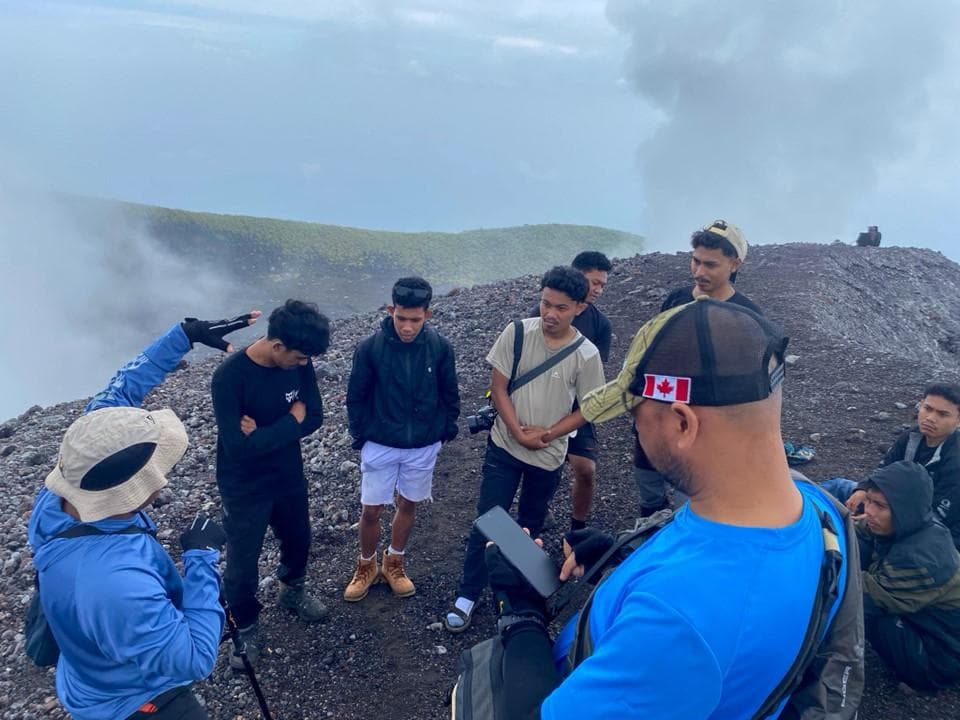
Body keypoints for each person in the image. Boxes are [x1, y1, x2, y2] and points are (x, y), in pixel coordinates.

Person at [479, 298, 861, 718]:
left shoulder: (678, 619)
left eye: (634, 415)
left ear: (682, 423)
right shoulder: (818, 507)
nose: (636, 430)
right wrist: (623, 555)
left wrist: (521, 615)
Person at [28, 312, 258, 720]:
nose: (166, 474)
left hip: (89, 674)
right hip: (133, 700)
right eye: (162, 466)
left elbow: (118, 395)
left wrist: (183, 336)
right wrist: (201, 559)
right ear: (137, 487)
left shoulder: (71, 481)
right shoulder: (116, 583)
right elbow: (193, 659)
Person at [445, 266, 605, 632]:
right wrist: (517, 431)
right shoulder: (517, 332)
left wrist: (547, 434)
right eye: (546, 304)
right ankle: (468, 593)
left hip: (548, 455)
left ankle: (518, 598)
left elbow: (589, 408)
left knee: (530, 523)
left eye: (561, 308)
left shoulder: (586, 354)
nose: (550, 314)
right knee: (489, 517)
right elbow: (499, 387)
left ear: (579, 308)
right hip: (504, 444)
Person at [211, 299, 331, 670]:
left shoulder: (300, 363)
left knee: (298, 538)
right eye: (300, 357)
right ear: (277, 346)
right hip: (244, 485)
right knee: (242, 563)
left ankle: (292, 590)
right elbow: (237, 448)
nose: (305, 364)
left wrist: (263, 433)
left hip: (288, 474)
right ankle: (245, 626)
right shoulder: (230, 377)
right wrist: (290, 421)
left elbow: (315, 417)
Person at [343, 277, 460, 601]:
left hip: (423, 444)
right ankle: (366, 565)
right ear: (390, 310)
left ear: (428, 315)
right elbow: (356, 395)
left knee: (409, 503)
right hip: (380, 442)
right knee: (371, 509)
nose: (407, 327)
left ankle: (395, 561)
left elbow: (449, 391)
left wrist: (444, 428)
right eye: (401, 318)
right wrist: (361, 434)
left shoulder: (440, 348)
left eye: (415, 320)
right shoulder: (370, 348)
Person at [635, 219, 762, 516]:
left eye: (710, 265)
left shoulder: (747, 317)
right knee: (649, 497)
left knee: (692, 506)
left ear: (735, 264)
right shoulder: (676, 299)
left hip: (704, 430)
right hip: (658, 416)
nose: (699, 272)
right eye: (696, 261)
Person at [857, 461, 960, 690]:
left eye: (880, 506)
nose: (869, 511)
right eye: (869, 500)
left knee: (863, 607)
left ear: (904, 510)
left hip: (939, 656)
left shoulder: (919, 559)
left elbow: (862, 597)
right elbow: (855, 529)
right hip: (924, 618)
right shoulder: (913, 522)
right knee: (856, 546)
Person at [821, 382, 960, 549]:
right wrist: (864, 489)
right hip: (894, 503)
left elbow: (937, 517)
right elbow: (884, 470)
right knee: (839, 486)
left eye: (942, 414)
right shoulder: (912, 437)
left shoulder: (955, 460)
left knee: (855, 541)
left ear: (958, 420)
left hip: (934, 533)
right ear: (921, 404)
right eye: (928, 408)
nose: (930, 418)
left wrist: (877, 515)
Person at [530, 252, 612, 533]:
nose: (598, 290)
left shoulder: (601, 325)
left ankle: (577, 528)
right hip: (542, 402)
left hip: (577, 407)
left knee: (586, 469)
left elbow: (593, 374)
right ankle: (536, 514)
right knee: (540, 465)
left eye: (602, 285)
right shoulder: (542, 315)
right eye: (594, 283)